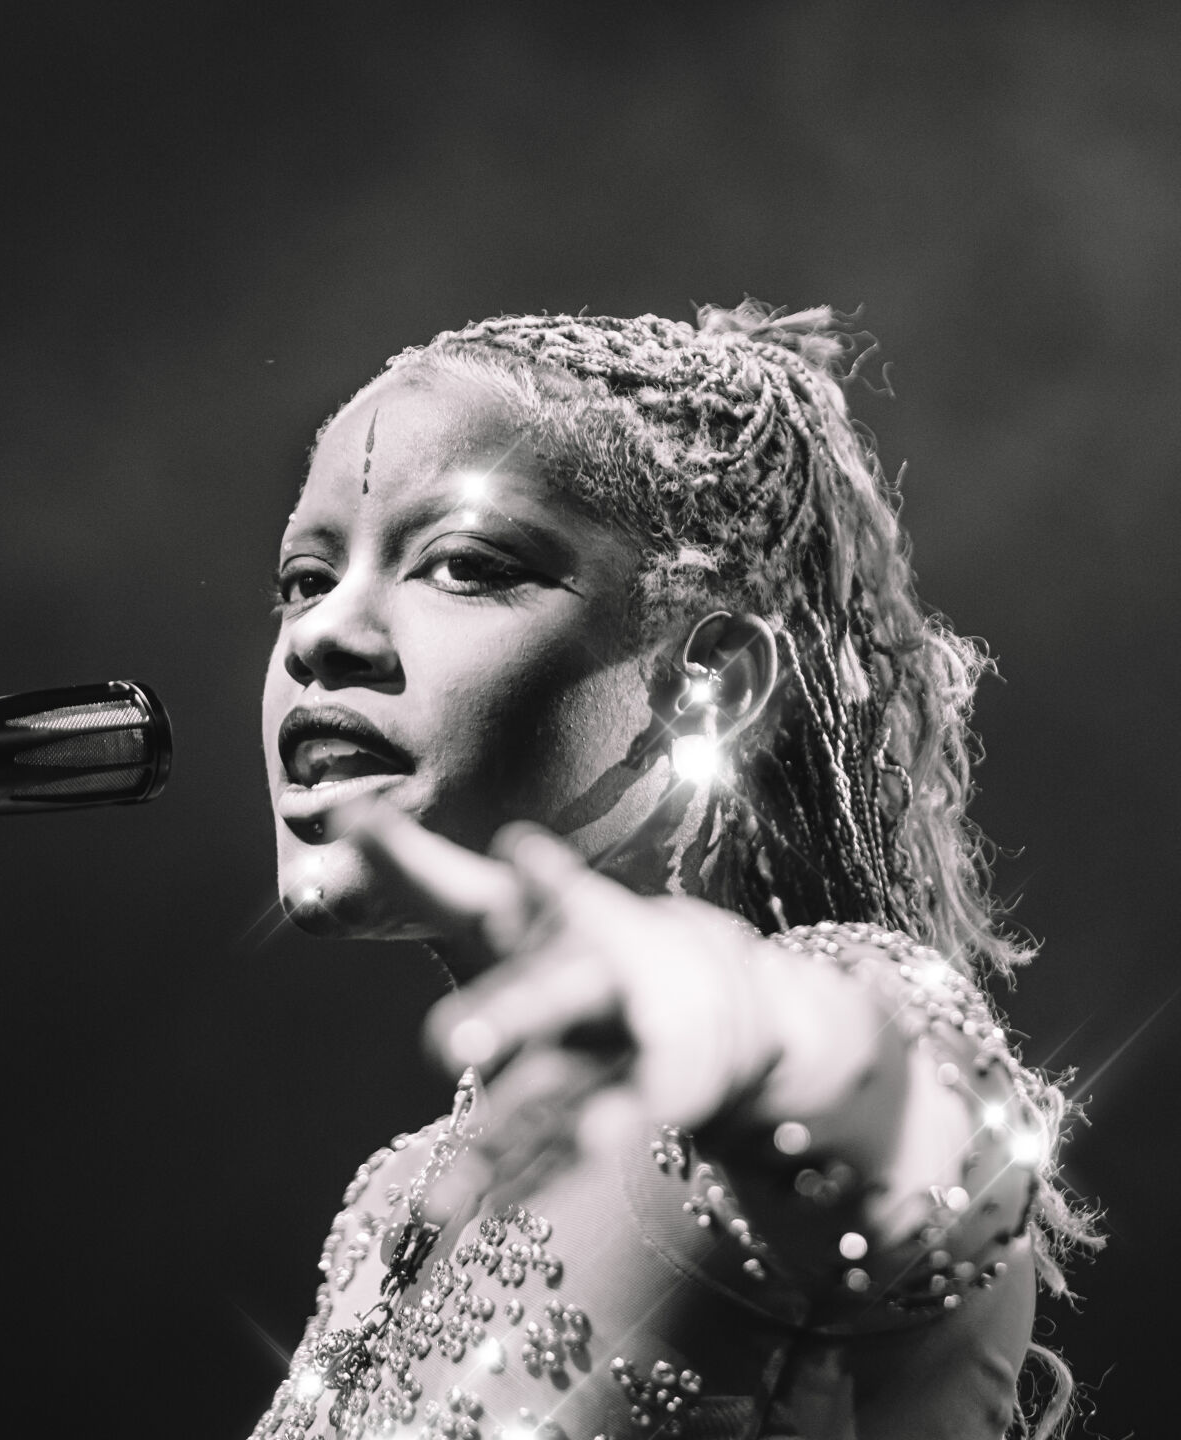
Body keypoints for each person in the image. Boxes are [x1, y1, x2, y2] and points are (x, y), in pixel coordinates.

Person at [251, 305, 1094, 1440]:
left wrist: (723, 1023)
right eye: (305, 580)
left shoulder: (819, 1038)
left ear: (709, 686)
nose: (320, 634)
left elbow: (901, 1113)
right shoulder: (391, 1203)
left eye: (461, 564)